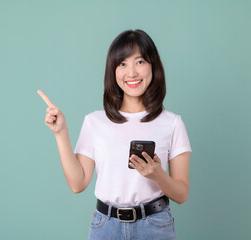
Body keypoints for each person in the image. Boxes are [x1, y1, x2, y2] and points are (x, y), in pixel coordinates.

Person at [37, 29, 192, 240]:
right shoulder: (95, 121)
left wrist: (157, 174)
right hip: (106, 227)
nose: (132, 73)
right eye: (122, 64)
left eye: (140, 62)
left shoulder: (172, 123)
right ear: (113, 70)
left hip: (155, 226)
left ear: (153, 66)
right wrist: (61, 133)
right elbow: (78, 183)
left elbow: (182, 194)